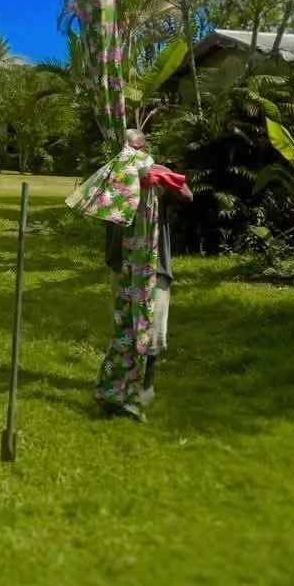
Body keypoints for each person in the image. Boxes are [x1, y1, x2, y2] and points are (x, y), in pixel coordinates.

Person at [104, 137, 192, 405]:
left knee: (153, 329)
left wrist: (162, 180)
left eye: (136, 148)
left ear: (146, 150)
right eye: (126, 147)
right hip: (122, 263)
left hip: (155, 266)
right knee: (124, 327)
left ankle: (146, 387)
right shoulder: (112, 172)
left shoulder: (159, 170)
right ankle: (120, 382)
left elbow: (188, 195)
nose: (130, 152)